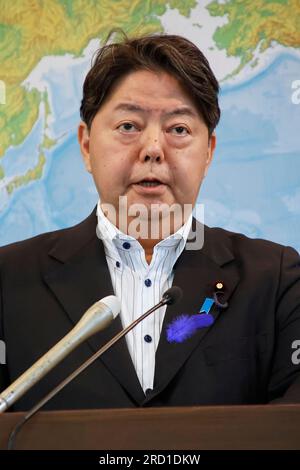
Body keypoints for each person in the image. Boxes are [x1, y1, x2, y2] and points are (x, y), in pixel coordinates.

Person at [0, 33, 299, 411]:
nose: (153, 150)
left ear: (208, 153)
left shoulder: (275, 280)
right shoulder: (8, 280)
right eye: (128, 126)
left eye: (178, 129)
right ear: (87, 146)